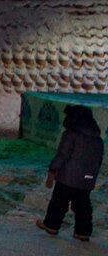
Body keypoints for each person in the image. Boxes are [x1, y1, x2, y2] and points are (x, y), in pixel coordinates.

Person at [37, 104, 102, 242]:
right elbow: (98, 160)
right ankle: (83, 232)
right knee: (83, 205)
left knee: (59, 202)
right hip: (87, 179)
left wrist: (53, 170)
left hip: (68, 177)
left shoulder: (71, 135)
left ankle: (51, 225)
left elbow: (62, 155)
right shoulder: (97, 139)